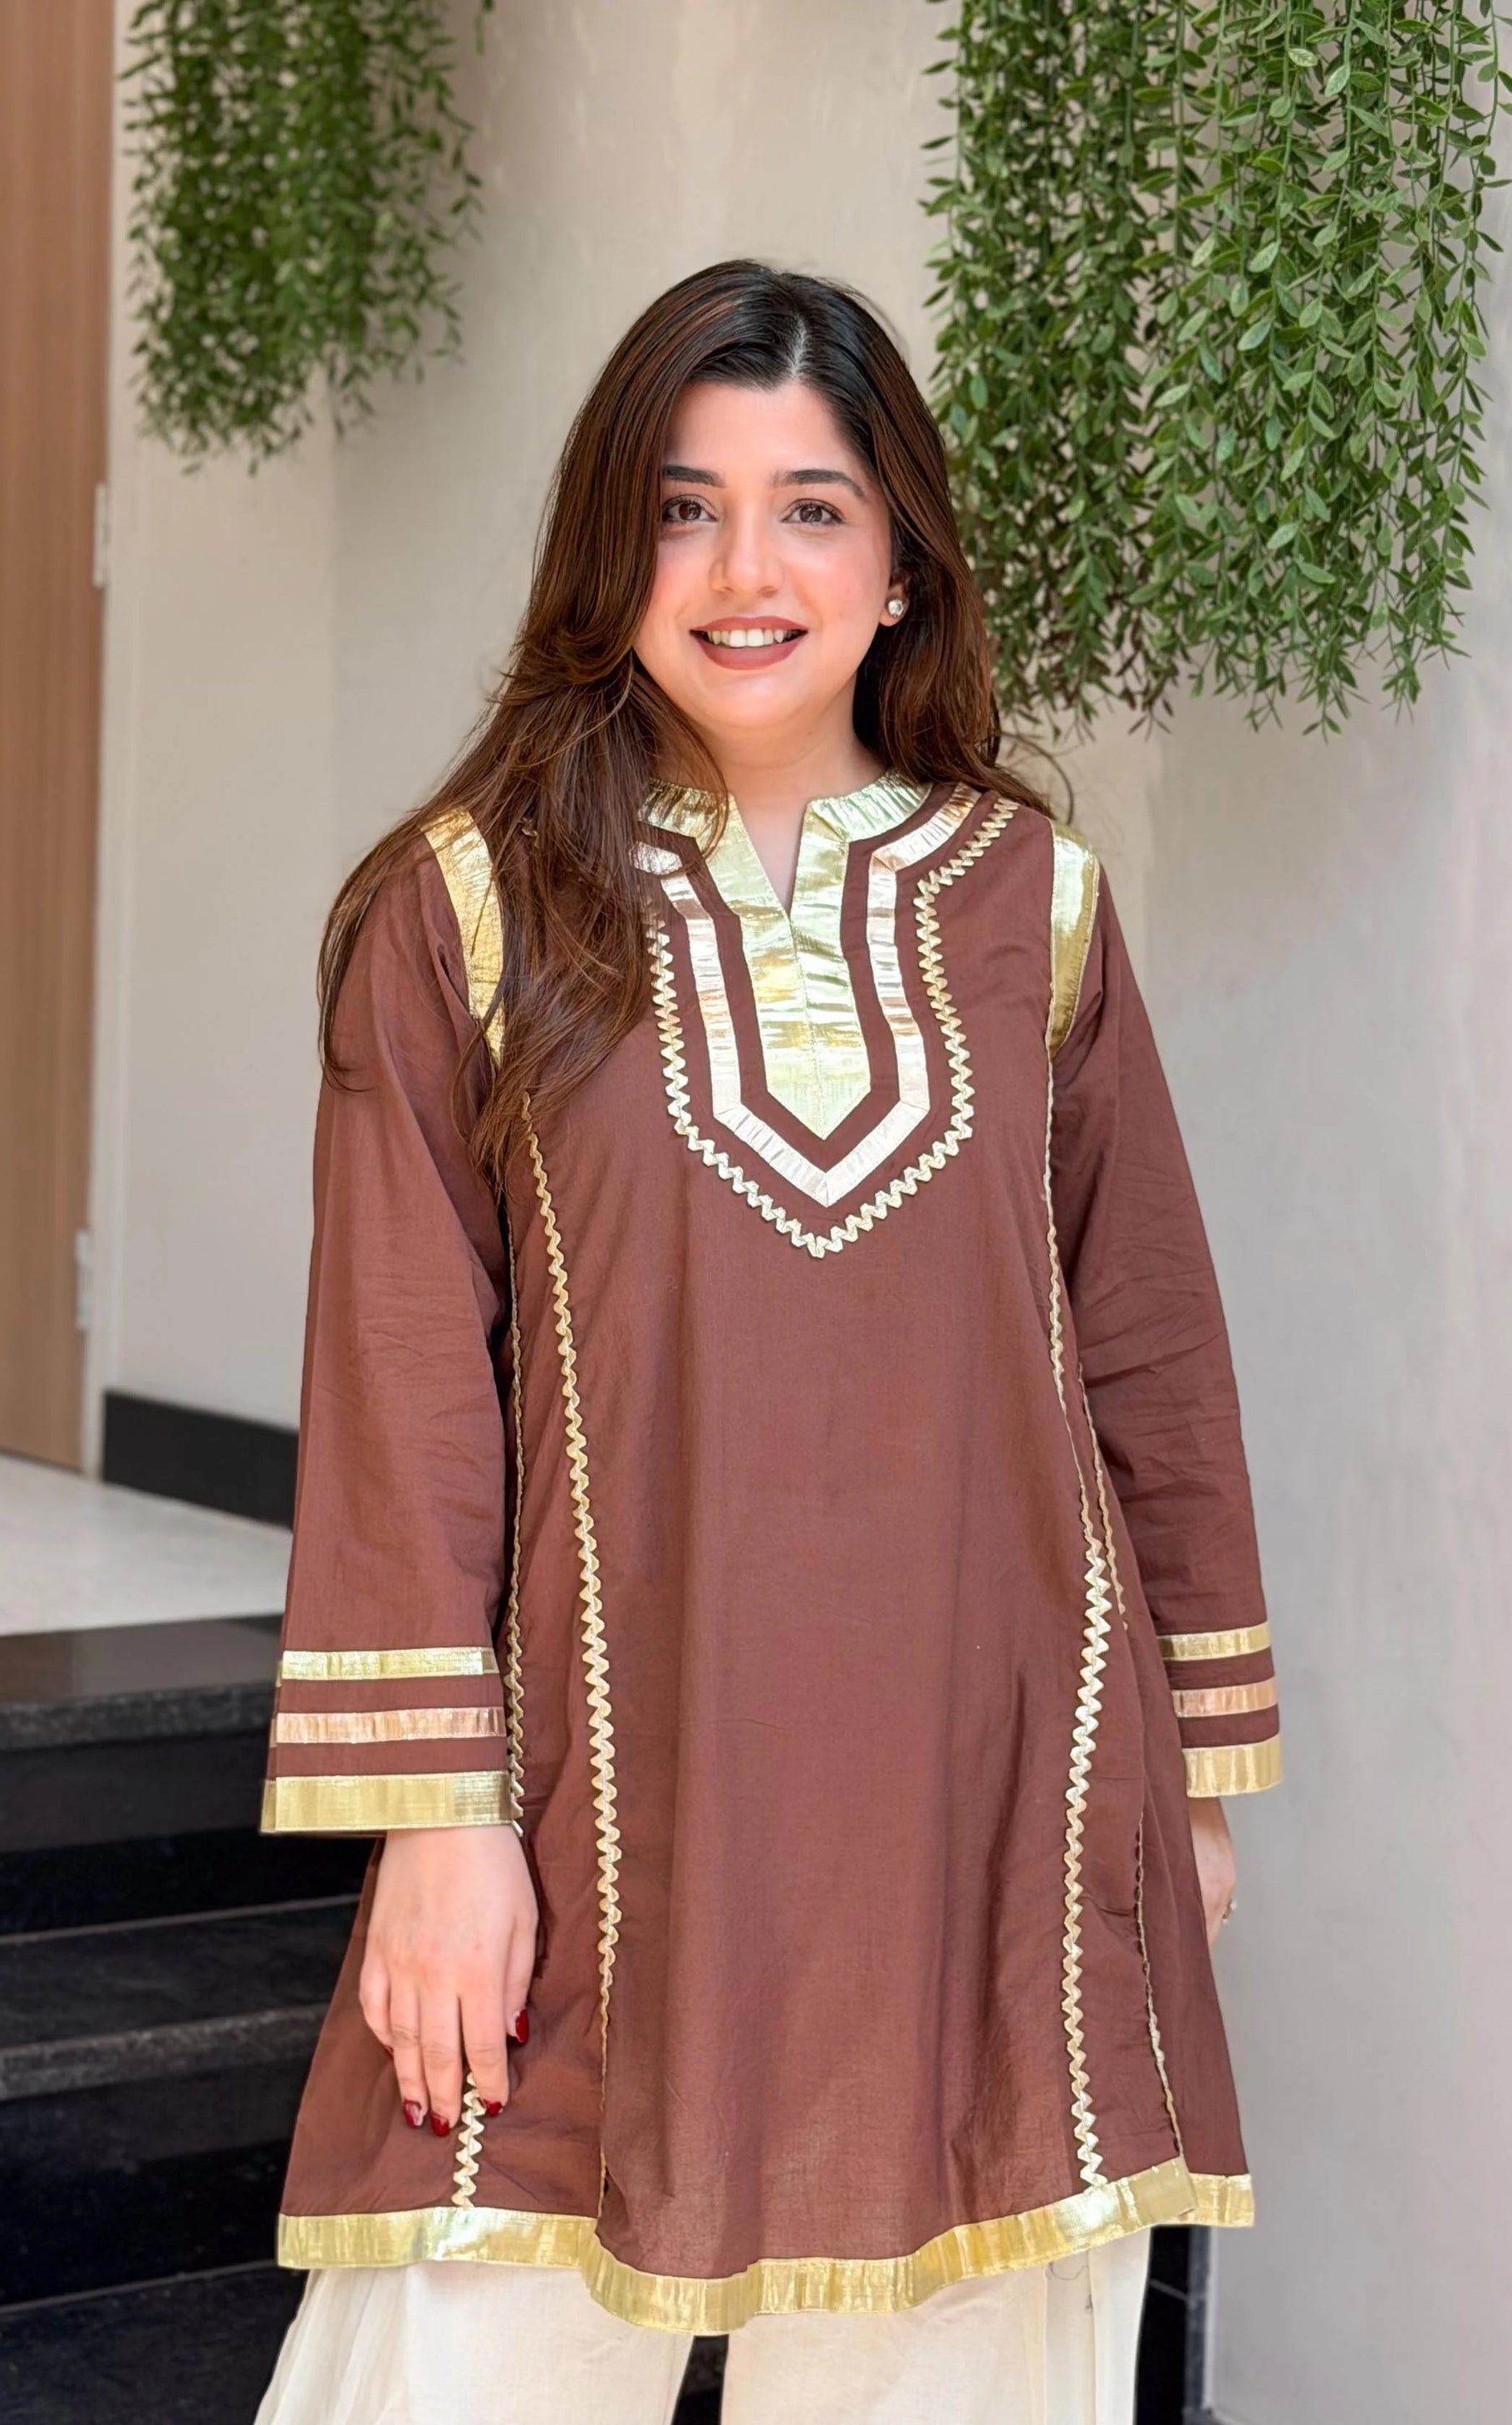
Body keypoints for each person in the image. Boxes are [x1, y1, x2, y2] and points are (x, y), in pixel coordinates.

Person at [253, 261, 1279, 2425]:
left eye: (812, 510)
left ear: (900, 568)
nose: (745, 572)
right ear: (603, 555)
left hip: (996, 1812)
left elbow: (1148, 1347)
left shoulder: (1033, 904)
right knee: (448, 2349)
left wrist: (1188, 1778)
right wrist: (435, 1825)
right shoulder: (466, 906)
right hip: (600, 1812)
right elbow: (401, 1388)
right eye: (682, 508)